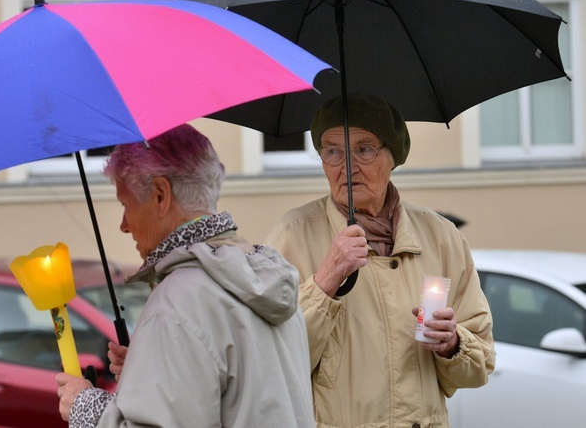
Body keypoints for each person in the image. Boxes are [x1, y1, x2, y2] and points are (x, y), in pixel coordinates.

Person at [55, 123, 315, 428]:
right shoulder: (266, 275)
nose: (124, 225)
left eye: (126, 205)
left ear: (161, 195)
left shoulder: (178, 303)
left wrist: (87, 409)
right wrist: (147, 372)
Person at [265, 95, 495, 428]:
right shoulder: (292, 235)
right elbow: (271, 361)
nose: (347, 166)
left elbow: (481, 365)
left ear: (393, 155)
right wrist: (326, 280)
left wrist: (453, 344)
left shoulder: (441, 237)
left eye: (364, 149)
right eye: (332, 151)